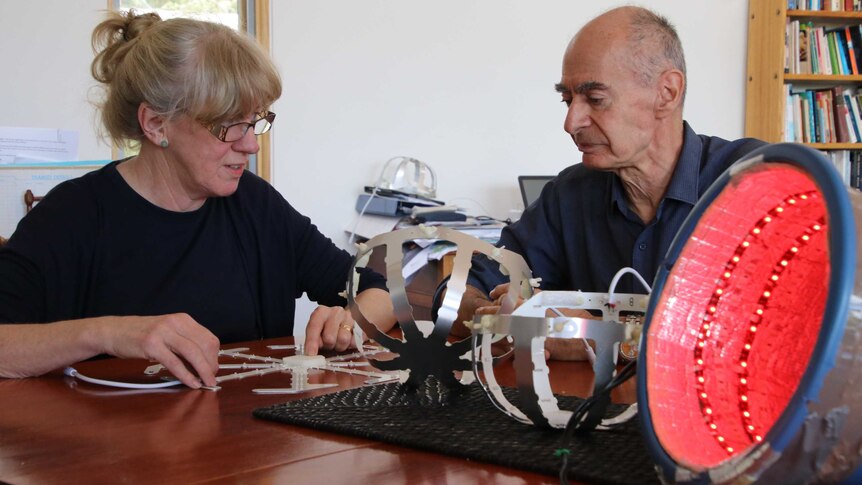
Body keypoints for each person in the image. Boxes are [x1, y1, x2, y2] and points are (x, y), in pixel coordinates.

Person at [0, 10, 395, 389]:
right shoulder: (72, 217)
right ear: (156, 124)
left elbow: (382, 290)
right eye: (229, 126)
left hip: (252, 445)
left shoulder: (255, 206)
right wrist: (106, 332)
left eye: (256, 120)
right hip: (112, 451)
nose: (252, 145)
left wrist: (351, 322)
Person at [445, 6, 765, 359]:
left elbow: (790, 333)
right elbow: (465, 288)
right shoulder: (568, 196)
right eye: (567, 100)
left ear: (667, 93)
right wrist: (493, 317)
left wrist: (600, 339)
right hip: (580, 410)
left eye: (595, 100)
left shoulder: (757, 184)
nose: (571, 122)